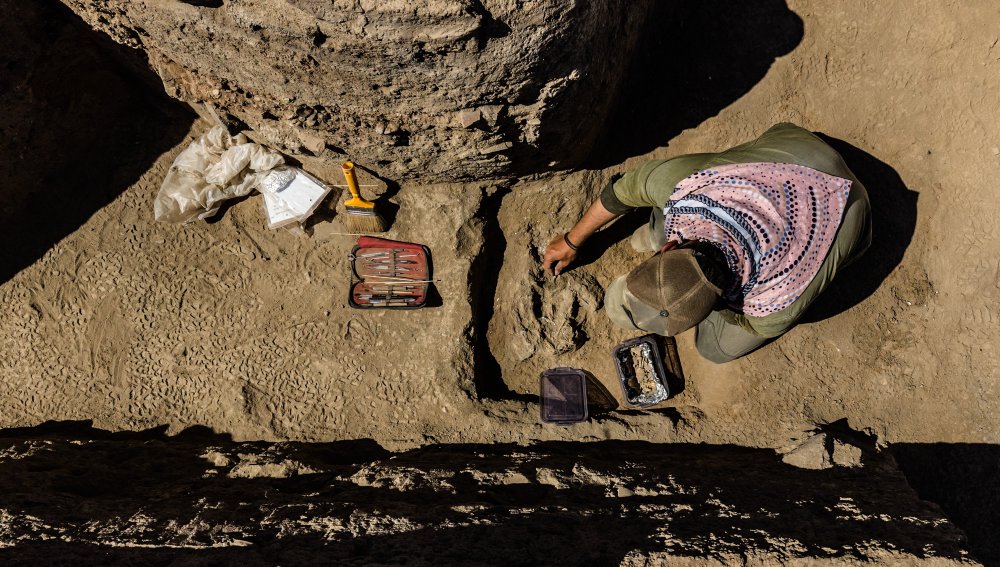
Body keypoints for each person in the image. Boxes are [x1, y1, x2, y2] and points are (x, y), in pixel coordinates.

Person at [541, 123, 872, 363]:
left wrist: (710, 304)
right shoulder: (687, 188)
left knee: (712, 350)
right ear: (671, 250)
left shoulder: (773, 310)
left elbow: (745, 320)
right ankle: (656, 237)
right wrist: (572, 240)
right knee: (659, 222)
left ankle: (655, 236)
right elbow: (620, 192)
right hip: (804, 154)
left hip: (856, 211)